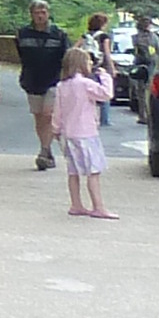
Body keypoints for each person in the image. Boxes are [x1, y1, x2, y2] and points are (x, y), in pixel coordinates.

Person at [52, 35, 115, 215]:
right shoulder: (85, 84)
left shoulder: (61, 86)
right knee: (93, 171)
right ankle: (98, 207)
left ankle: (76, 204)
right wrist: (106, 77)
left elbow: (58, 111)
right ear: (81, 65)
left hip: (68, 134)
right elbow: (106, 94)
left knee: (73, 171)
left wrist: (56, 129)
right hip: (86, 133)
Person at [11, 0, 70, 171]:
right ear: (31, 14)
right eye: (36, 13)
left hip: (53, 80)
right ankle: (47, 150)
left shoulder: (59, 34)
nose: (40, 16)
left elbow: (66, 58)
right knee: (38, 117)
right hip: (32, 80)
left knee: (48, 114)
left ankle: (44, 151)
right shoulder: (23, 34)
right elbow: (21, 55)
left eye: (43, 12)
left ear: (48, 14)